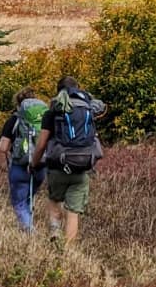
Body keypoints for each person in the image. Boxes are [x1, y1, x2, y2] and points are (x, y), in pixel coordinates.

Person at [29, 76, 105, 243]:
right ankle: (68, 250)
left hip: (57, 167)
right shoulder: (87, 110)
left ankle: (55, 232)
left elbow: (41, 145)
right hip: (82, 166)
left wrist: (33, 164)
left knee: (54, 200)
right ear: (77, 89)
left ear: (59, 91)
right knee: (73, 212)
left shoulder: (52, 112)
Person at [0, 87, 48, 232]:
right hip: (41, 165)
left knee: (19, 203)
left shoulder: (14, 120)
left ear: (18, 104)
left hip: (20, 166)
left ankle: (30, 233)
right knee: (29, 199)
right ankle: (27, 228)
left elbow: (3, 147)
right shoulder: (44, 119)